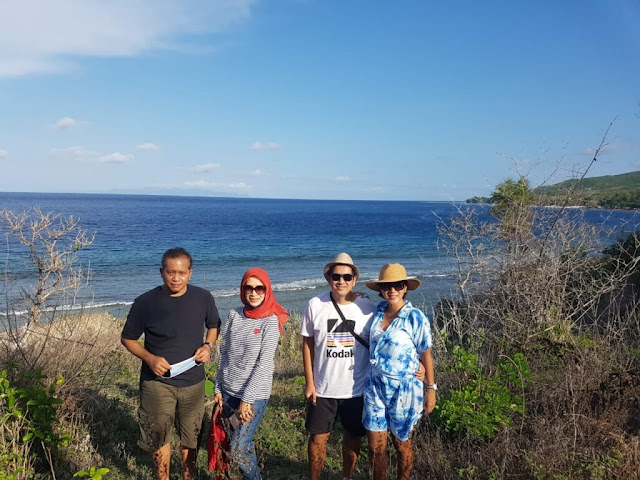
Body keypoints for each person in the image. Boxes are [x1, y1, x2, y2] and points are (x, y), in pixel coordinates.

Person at [121, 247, 220, 480]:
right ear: (161, 272)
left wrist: (208, 346)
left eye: (182, 273)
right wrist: (150, 358)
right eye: (170, 272)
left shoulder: (203, 297)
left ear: (190, 273)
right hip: (157, 383)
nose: (176, 278)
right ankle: (162, 477)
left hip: (193, 381)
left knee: (191, 436)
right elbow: (127, 338)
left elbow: (214, 325)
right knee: (159, 436)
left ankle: (188, 475)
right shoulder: (145, 302)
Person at [301, 252, 374, 480]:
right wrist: (310, 383)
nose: (341, 281)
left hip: (356, 389)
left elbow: (384, 339)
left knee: (353, 438)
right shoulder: (315, 304)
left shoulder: (367, 307)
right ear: (328, 278)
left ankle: (346, 476)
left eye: (346, 276)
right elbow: (307, 345)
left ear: (354, 279)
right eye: (336, 276)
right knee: (317, 439)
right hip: (323, 388)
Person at [363, 263, 437, 480]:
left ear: (405, 288)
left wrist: (430, 388)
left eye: (397, 285)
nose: (392, 290)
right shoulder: (376, 311)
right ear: (380, 289)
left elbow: (426, 353)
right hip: (374, 387)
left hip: (403, 391)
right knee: (376, 447)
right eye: (387, 286)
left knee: (401, 443)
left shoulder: (415, 317)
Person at [213, 267, 288, 480]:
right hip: (228, 392)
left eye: (259, 288)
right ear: (242, 289)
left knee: (237, 448)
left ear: (267, 290)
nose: (253, 293)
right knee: (242, 442)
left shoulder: (270, 321)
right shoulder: (234, 315)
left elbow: (264, 364)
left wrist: (247, 399)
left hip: (252, 397)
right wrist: (218, 387)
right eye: (248, 287)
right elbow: (224, 353)